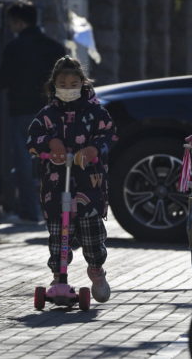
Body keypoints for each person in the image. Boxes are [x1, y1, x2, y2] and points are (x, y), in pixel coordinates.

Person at [26, 56, 118, 302]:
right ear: (54, 85)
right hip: (56, 185)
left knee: (92, 234)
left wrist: (93, 150)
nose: (68, 88)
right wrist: (50, 143)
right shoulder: (47, 115)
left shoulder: (95, 113)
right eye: (63, 84)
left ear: (83, 83)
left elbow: (108, 134)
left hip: (89, 185)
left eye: (73, 83)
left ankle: (96, 270)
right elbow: (32, 139)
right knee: (58, 234)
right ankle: (59, 275)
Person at [0, 0, 67, 223]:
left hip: (22, 112)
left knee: (23, 162)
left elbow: (2, 81)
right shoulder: (55, 48)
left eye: (11, 23)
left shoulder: (15, 47)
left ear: (19, 22)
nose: (10, 27)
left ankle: (29, 212)